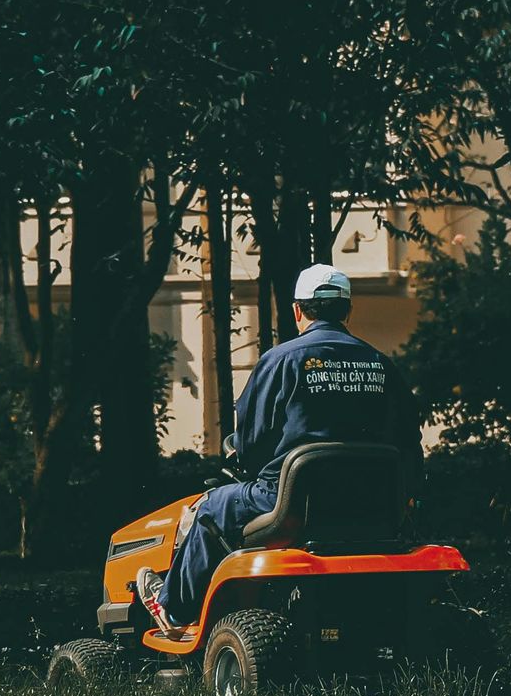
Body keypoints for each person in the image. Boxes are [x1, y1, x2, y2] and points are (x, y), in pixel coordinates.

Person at [132, 264, 421, 632]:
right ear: (348, 311)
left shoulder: (281, 360)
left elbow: (252, 443)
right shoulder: (382, 366)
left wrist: (245, 455)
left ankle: (173, 610)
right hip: (374, 505)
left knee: (210, 507)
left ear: (297, 311)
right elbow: (409, 441)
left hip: (290, 502)